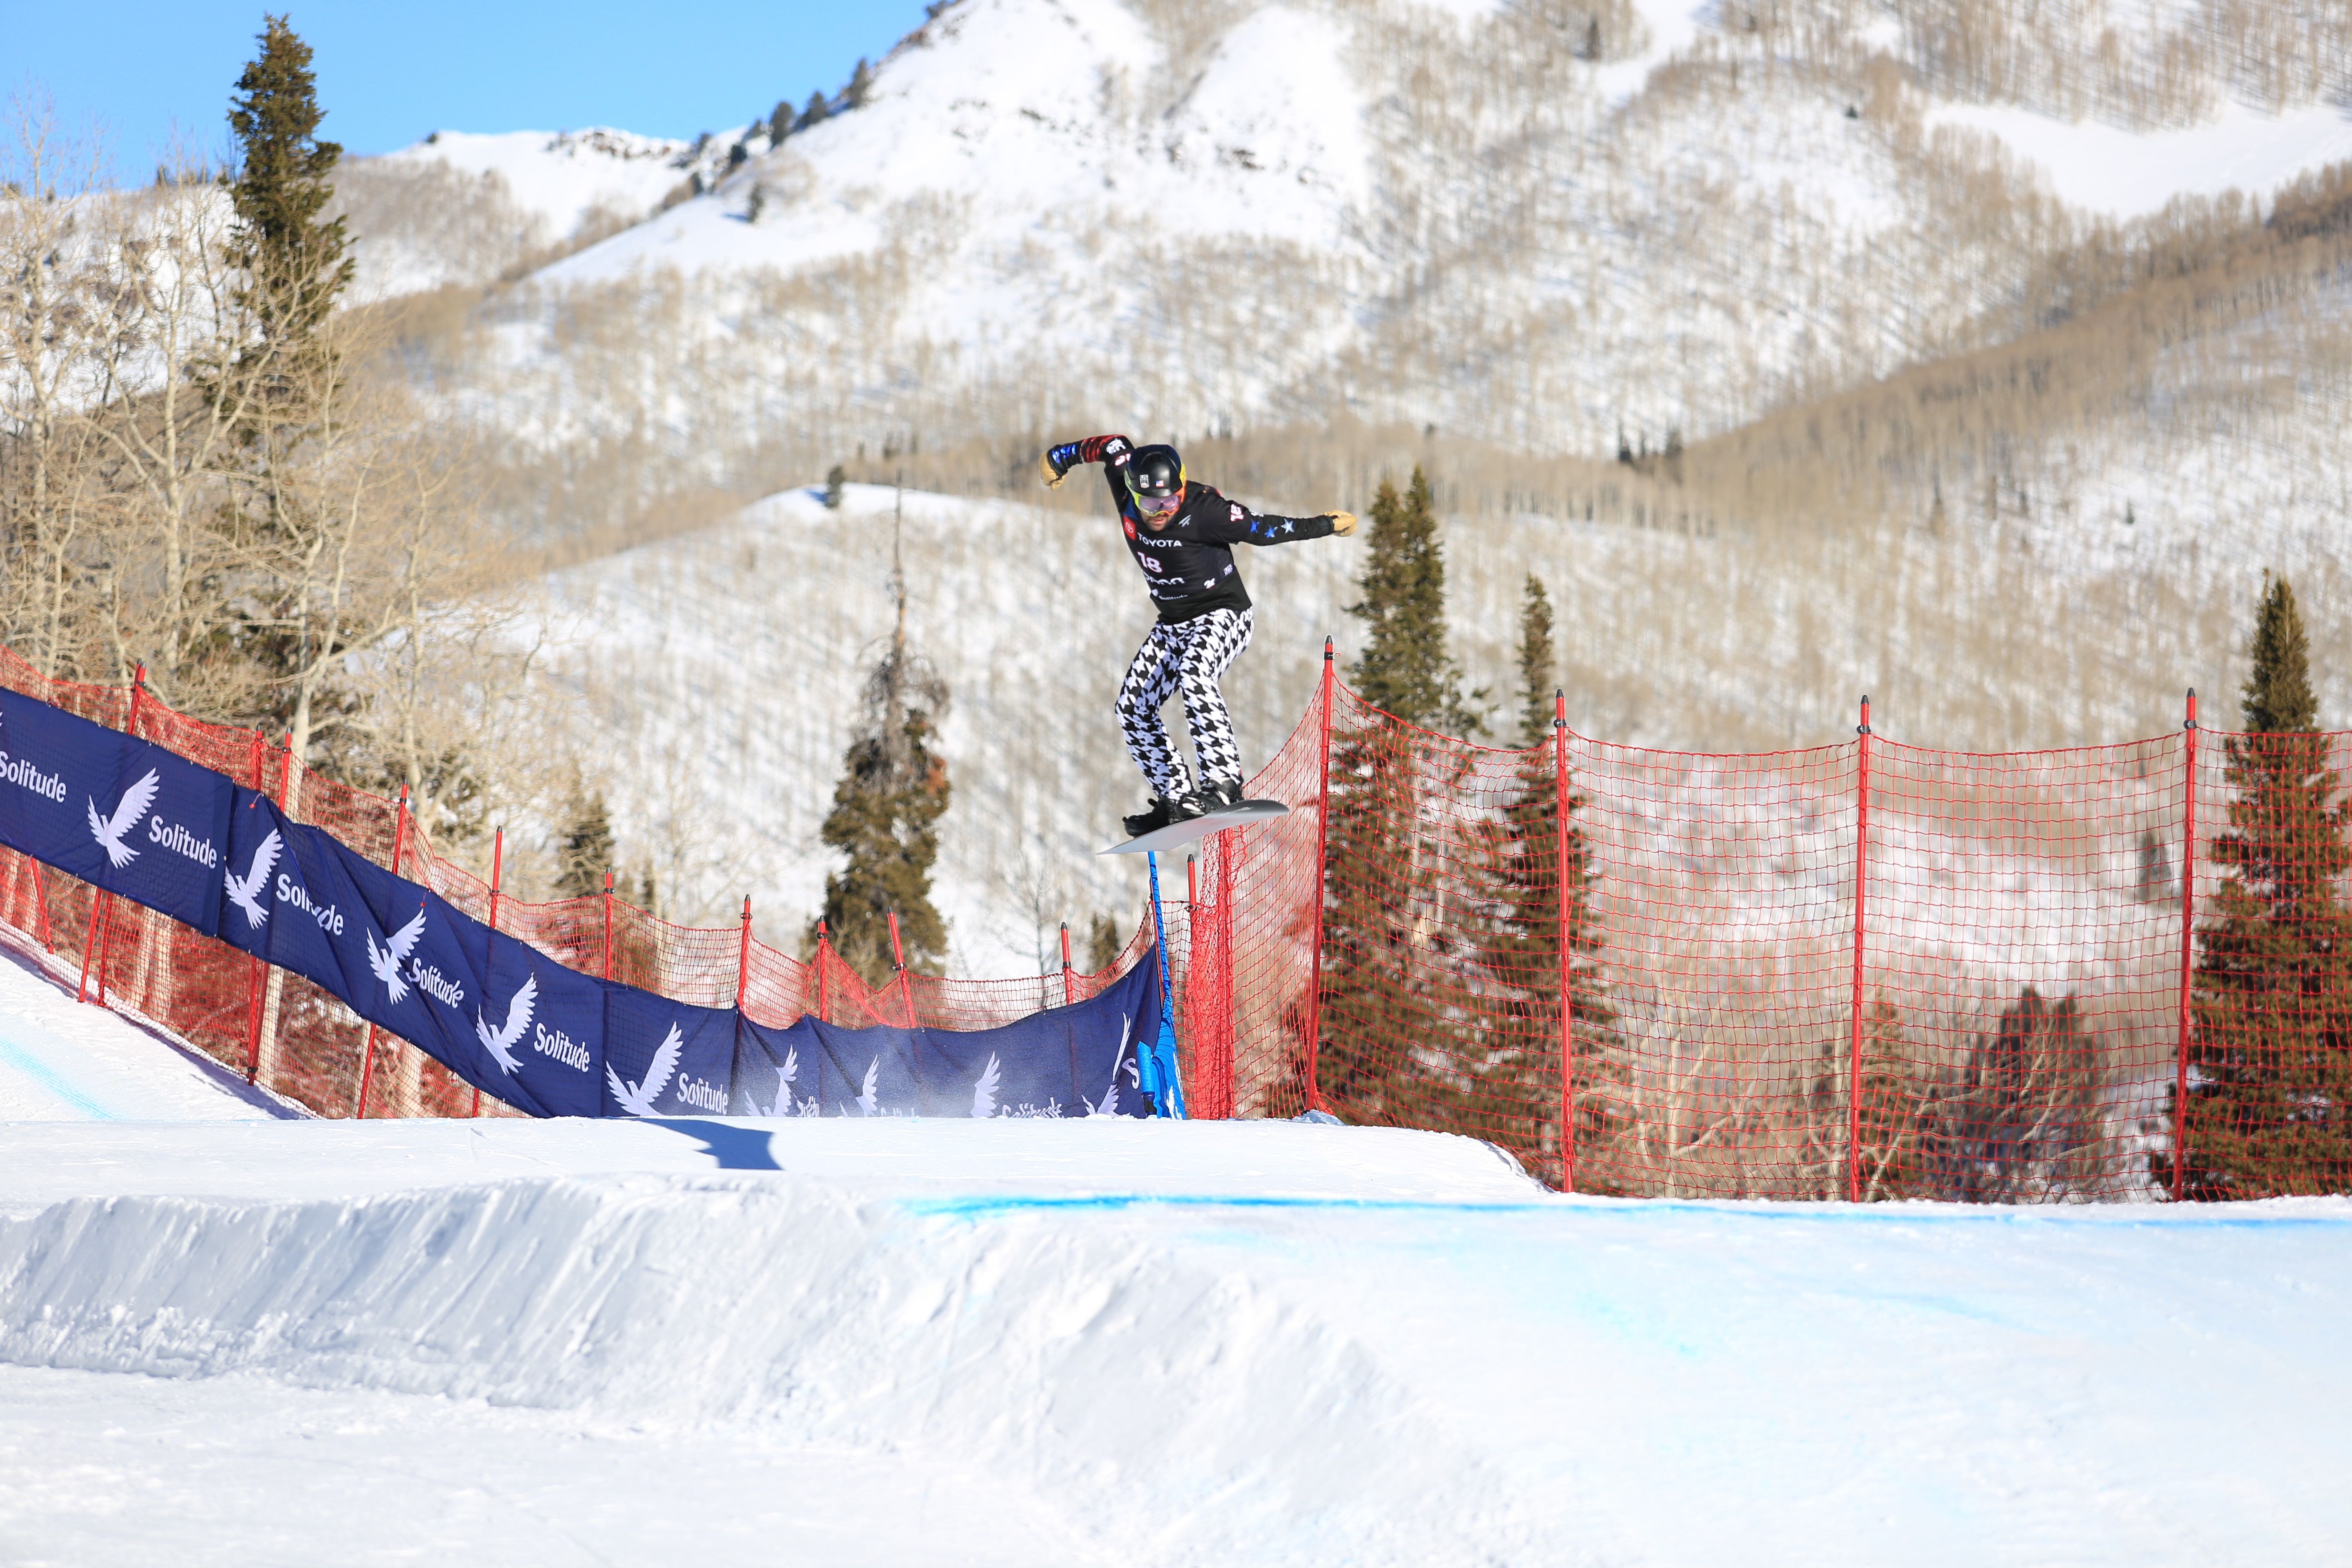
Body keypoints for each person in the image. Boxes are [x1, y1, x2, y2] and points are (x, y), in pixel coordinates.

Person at [1041, 435, 1356, 837]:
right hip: (1173, 625)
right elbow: (1111, 446)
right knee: (1132, 707)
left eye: (1168, 502)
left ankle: (1224, 784)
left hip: (1225, 615)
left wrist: (1324, 525)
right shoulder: (1126, 485)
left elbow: (1266, 530)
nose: (1159, 512)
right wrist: (1058, 459)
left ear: (1182, 489)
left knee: (1195, 674)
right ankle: (1176, 798)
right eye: (1149, 503)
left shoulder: (1207, 511)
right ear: (1134, 493)